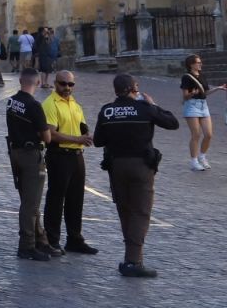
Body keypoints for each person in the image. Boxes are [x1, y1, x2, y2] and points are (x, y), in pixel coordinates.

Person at [92, 72, 180, 278]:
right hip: (141, 165)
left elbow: (98, 141)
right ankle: (133, 261)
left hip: (117, 166)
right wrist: (152, 104)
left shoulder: (107, 111)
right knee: (141, 212)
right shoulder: (144, 108)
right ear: (134, 89)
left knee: (125, 210)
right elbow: (172, 122)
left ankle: (132, 257)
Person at [40, 68, 99, 256]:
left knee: (76, 199)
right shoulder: (50, 104)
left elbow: (80, 127)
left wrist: (85, 136)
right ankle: (52, 239)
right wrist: (77, 140)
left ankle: (75, 239)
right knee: (56, 199)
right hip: (59, 155)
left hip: (76, 156)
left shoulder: (74, 103)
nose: (67, 88)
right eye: (63, 84)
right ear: (55, 83)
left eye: (70, 84)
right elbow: (51, 134)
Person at [5, 69, 56, 260]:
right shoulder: (34, 105)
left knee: (30, 201)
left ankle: (41, 241)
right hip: (30, 156)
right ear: (37, 82)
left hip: (15, 152)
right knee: (30, 203)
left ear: (20, 80)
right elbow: (47, 137)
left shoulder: (12, 101)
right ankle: (26, 245)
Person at [177, 53, 217, 170]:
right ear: (191, 64)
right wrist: (192, 93)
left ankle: (202, 156)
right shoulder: (186, 77)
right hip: (191, 105)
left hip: (203, 106)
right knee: (196, 134)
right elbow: (185, 96)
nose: (201, 64)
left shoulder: (202, 75)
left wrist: (218, 88)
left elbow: (205, 93)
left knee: (209, 134)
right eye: (198, 62)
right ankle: (194, 162)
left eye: (200, 62)